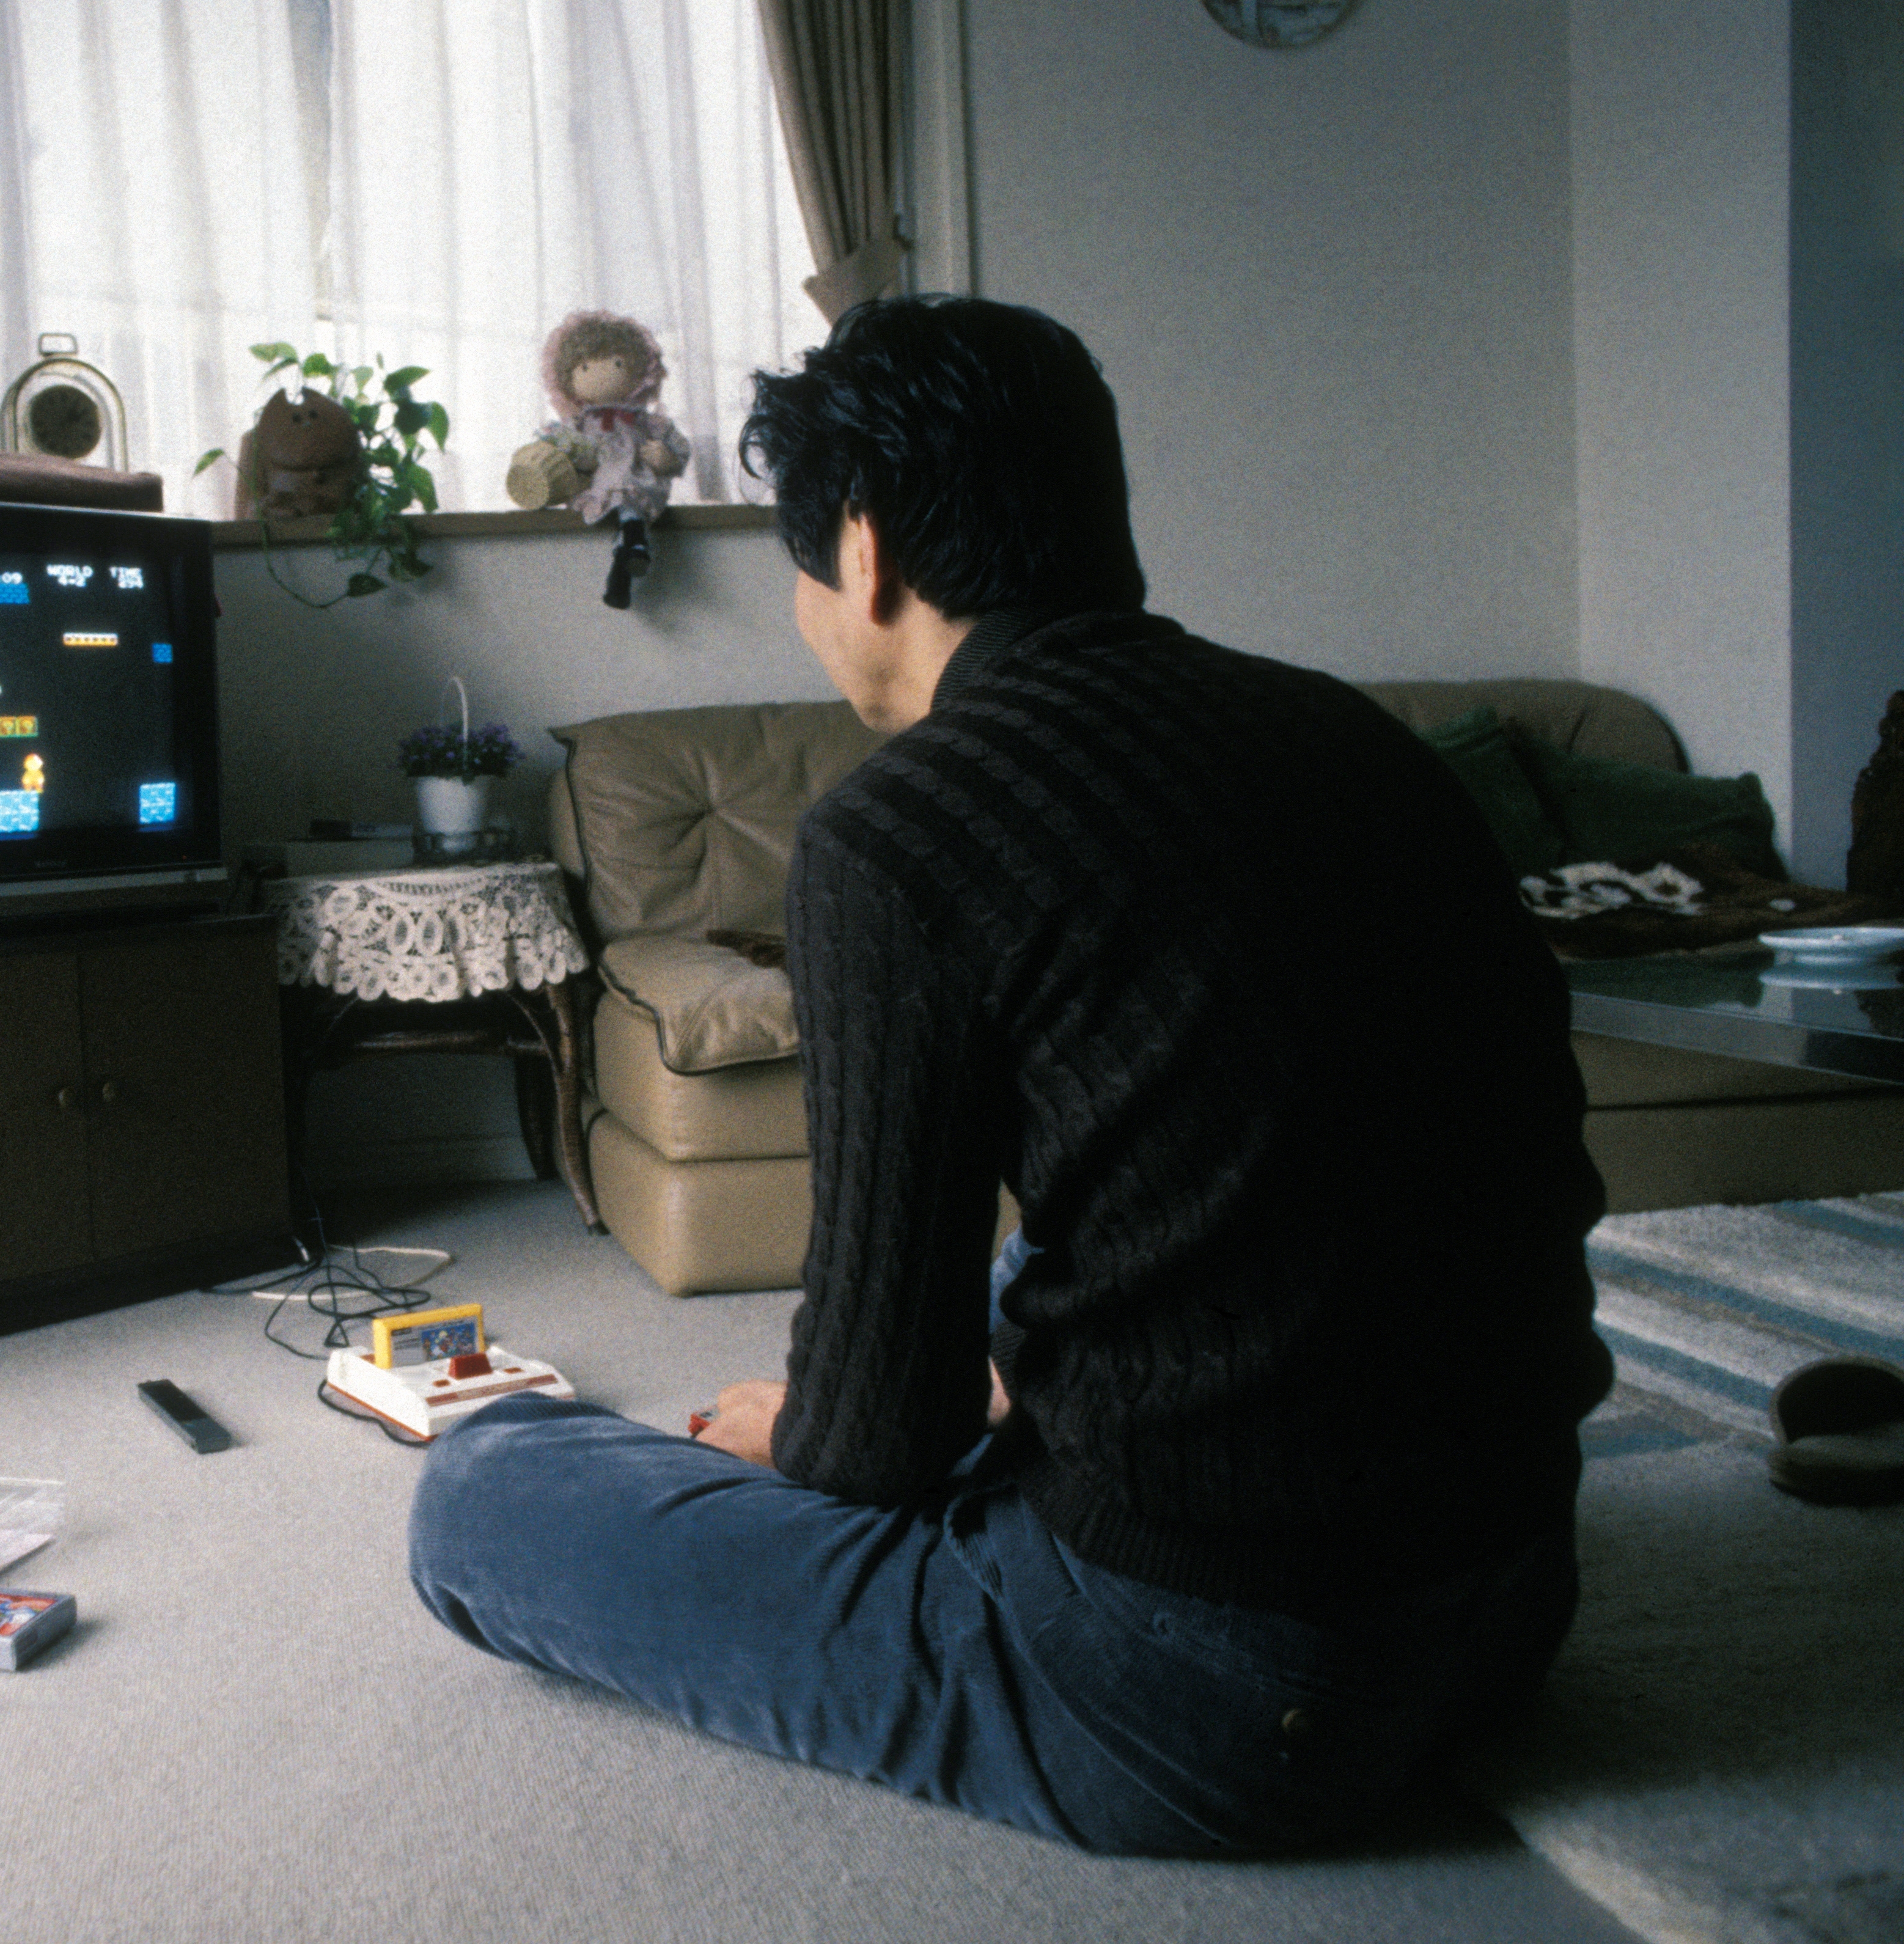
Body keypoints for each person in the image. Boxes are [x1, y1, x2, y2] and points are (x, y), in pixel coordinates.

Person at [408, 295, 1614, 1855]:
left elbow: (868, 1448)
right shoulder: (1357, 739)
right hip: (1511, 1592)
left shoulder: (896, 833)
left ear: (861, 548)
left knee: (486, 1485)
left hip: (1217, 1695)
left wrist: (792, 1428)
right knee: (1043, 1250)